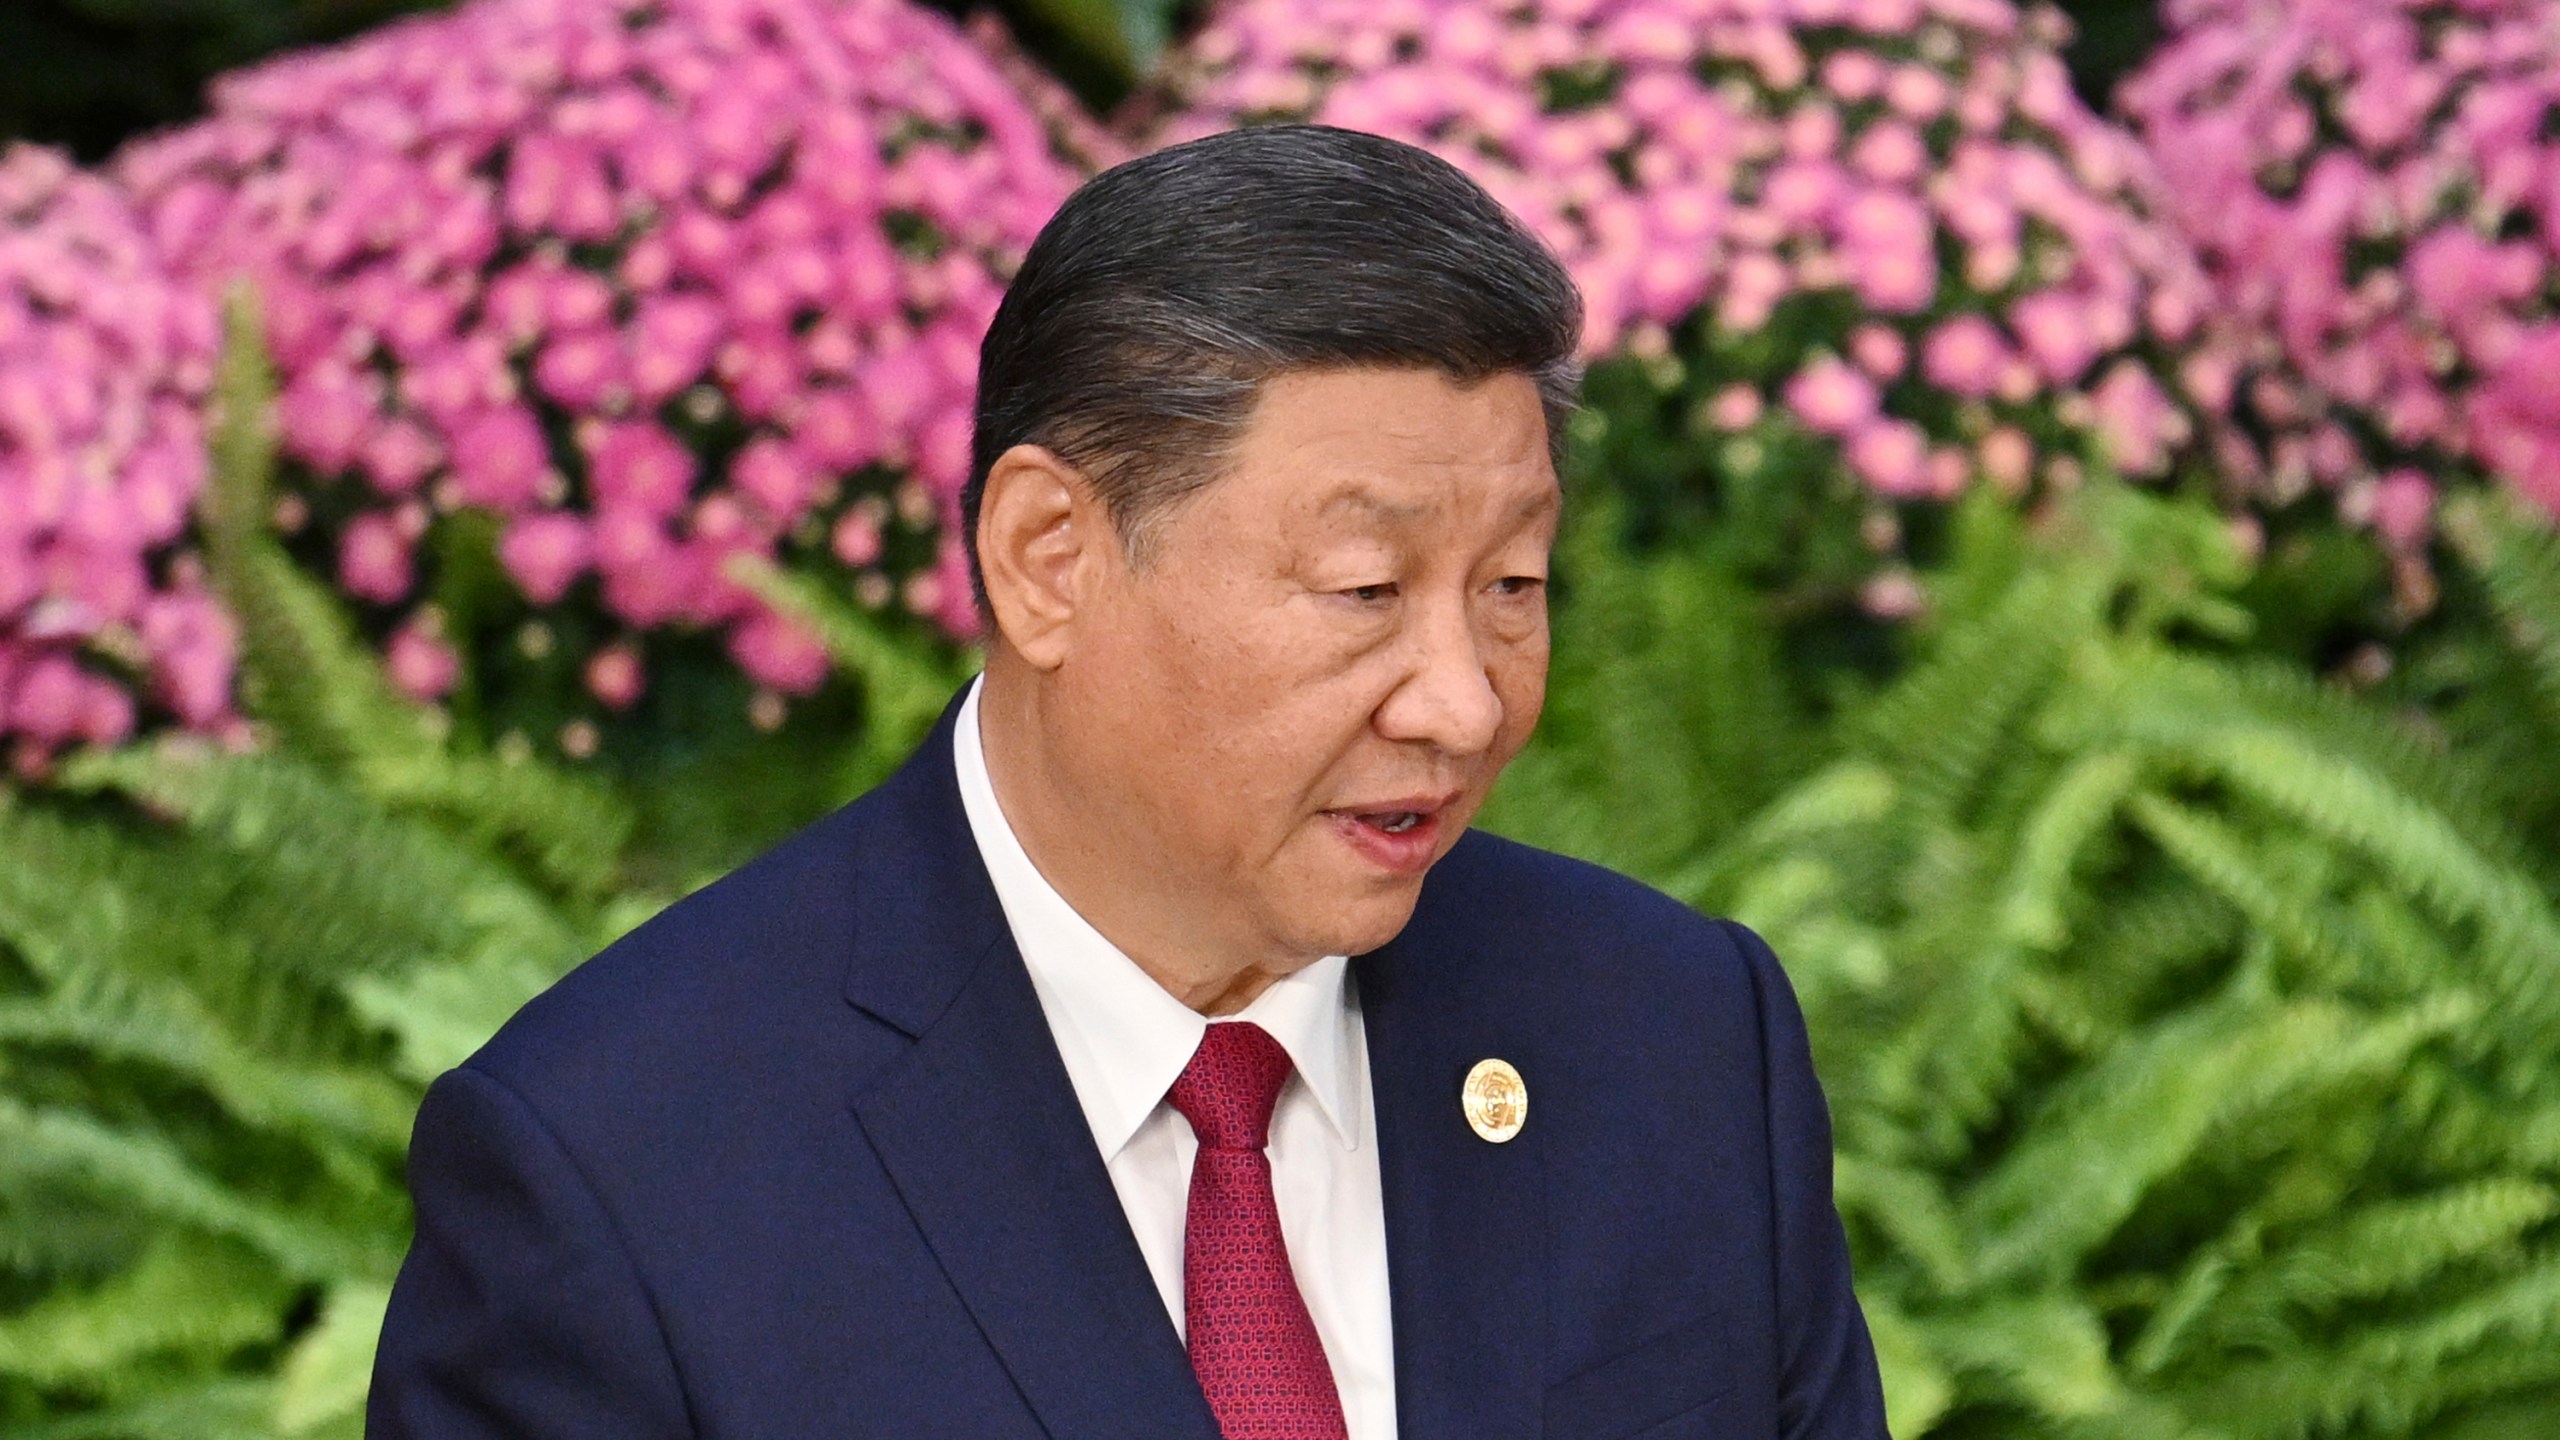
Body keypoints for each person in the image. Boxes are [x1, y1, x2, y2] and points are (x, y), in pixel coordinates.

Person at [369, 124, 1887, 1440]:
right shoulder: (623, 1172)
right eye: (1366, 589)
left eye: (1512, 582)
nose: (1464, 700)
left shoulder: (1675, 1038)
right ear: (1051, 561)